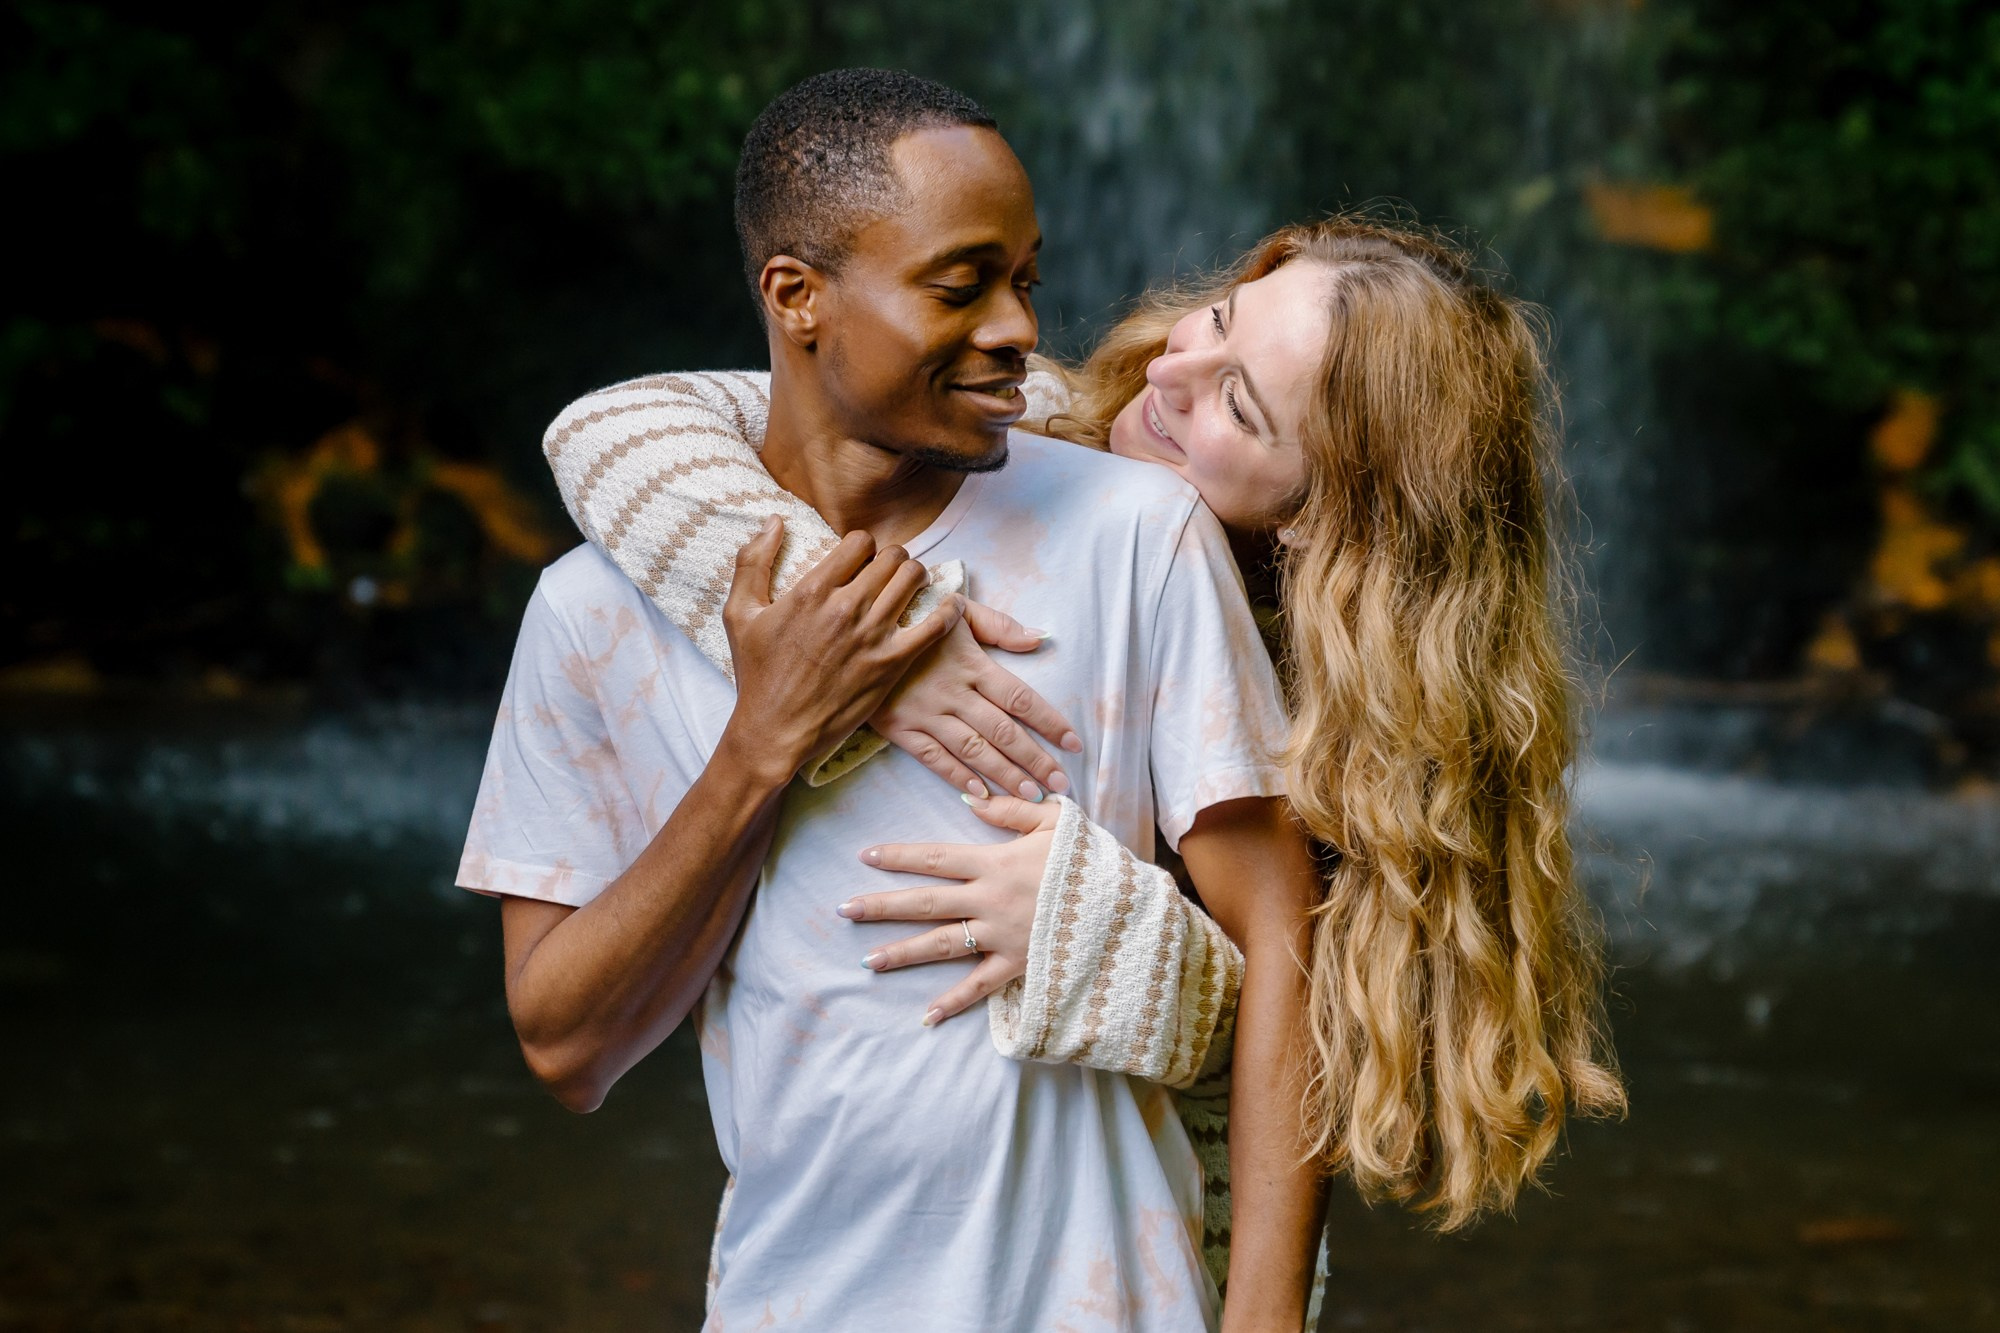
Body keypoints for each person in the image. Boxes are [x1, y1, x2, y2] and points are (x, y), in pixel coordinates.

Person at [548, 127, 1630, 1296]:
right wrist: (877, 650)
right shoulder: (1036, 426)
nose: (1167, 374)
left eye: (1240, 407)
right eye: (1214, 320)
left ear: (1329, 519)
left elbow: (1359, 1049)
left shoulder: (1370, 726)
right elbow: (618, 428)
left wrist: (1144, 955)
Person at [458, 69, 1325, 1331]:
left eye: (1025, 280)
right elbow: (563, 1047)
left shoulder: (1134, 533)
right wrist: (764, 745)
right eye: (959, 283)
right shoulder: (591, 614)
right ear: (794, 297)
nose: (1019, 328)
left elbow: (1284, 943)